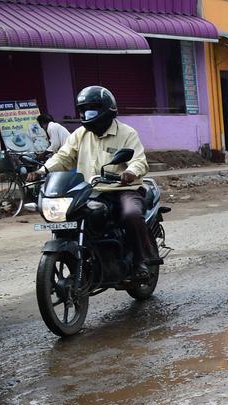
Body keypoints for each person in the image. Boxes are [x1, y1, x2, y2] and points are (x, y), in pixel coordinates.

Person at [30, 86, 158, 279]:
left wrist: (131, 172)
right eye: (82, 110)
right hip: (90, 190)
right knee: (71, 216)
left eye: (90, 110)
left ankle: (141, 261)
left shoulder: (127, 133)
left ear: (106, 110)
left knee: (131, 214)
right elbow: (64, 157)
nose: (85, 115)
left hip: (122, 189)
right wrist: (42, 170)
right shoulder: (80, 134)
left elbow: (139, 160)